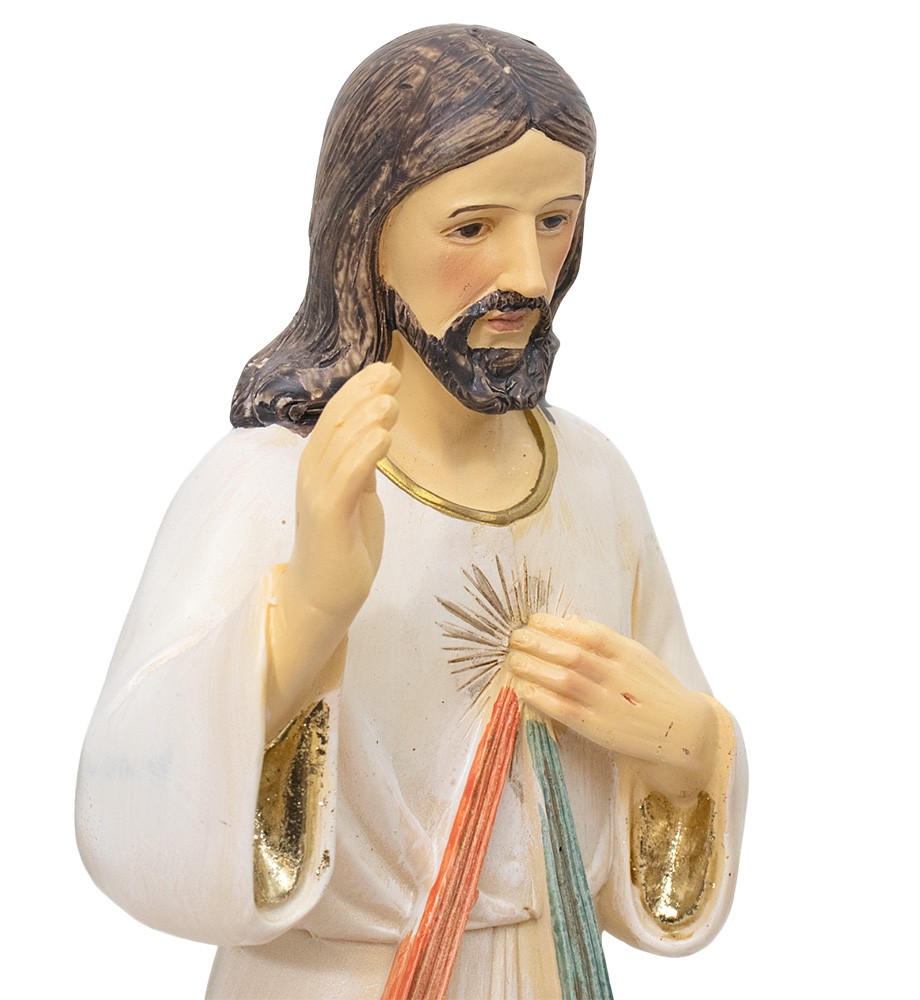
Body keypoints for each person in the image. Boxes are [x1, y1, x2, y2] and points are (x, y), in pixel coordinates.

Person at [77, 25, 747, 999]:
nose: (528, 273)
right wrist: (306, 612)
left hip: (545, 970)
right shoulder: (272, 484)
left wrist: (684, 743)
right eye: (472, 228)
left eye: (555, 221)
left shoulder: (594, 480)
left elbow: (675, 774)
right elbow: (124, 794)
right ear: (369, 233)